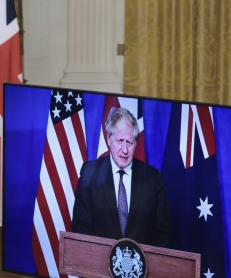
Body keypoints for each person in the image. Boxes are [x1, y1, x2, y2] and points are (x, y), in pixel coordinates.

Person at [71, 106, 174, 248]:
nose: (125, 150)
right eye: (120, 141)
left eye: (129, 142)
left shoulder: (153, 179)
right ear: (109, 139)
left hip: (142, 262)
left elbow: (164, 234)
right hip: (98, 260)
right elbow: (80, 228)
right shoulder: (90, 173)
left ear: (135, 143)